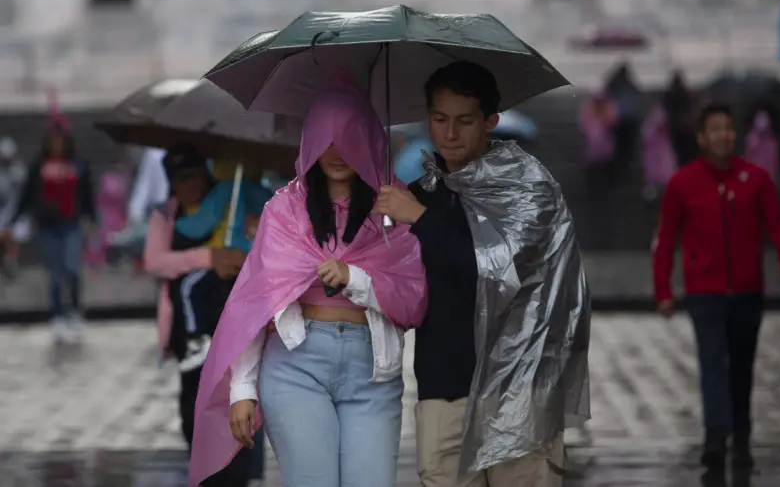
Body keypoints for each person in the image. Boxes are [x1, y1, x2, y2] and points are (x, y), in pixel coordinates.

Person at [189, 71, 427, 487]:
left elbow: (414, 298)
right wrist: (242, 388)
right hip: (296, 367)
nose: (336, 152)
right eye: (325, 137)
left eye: (349, 136)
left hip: (373, 371)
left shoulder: (394, 206)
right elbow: (256, 301)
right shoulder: (284, 211)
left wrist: (357, 278)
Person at [375, 61, 591, 487]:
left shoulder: (527, 186)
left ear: (491, 121)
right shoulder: (418, 194)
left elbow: (501, 270)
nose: (449, 134)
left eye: (463, 121)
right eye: (439, 120)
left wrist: (419, 220)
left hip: (520, 385)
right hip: (444, 383)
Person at [653, 103, 780, 471]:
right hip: (704, 293)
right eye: (715, 129)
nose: (723, 135)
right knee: (711, 364)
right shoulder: (683, 183)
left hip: (747, 293)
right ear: (702, 137)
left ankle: (741, 437)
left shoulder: (756, 180)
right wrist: (663, 291)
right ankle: (715, 439)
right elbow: (666, 238)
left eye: (728, 128)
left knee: (741, 367)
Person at [142, 145, 260, 486]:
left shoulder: (232, 201)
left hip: (230, 325)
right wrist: (208, 257)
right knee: (194, 407)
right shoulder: (166, 215)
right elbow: (155, 261)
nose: (190, 184)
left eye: (194, 175)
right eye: (181, 178)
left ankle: (243, 475)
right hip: (188, 333)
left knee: (238, 400)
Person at [5, 120, 96, 343]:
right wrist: (13, 221)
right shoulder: (38, 166)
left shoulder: (78, 164)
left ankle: (74, 309)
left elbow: (87, 195)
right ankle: (58, 315)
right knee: (55, 273)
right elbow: (26, 196)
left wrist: (92, 219)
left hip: (71, 223)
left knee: (72, 268)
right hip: (48, 225)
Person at [0, 137, 30, 276]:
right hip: (3, 210)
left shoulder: (20, 171)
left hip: (18, 211)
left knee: (13, 233)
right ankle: (8, 260)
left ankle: (10, 261)